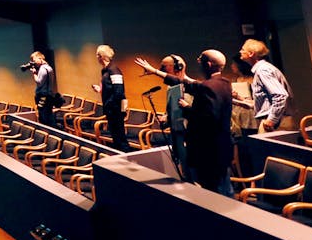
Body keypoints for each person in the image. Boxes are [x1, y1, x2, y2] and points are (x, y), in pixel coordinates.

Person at [136, 50, 234, 196]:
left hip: (208, 150)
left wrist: (187, 109)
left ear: (208, 64)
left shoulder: (207, 87)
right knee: (222, 187)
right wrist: (155, 72)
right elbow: (184, 82)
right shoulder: (224, 83)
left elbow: (208, 119)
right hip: (221, 147)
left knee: (215, 192)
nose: (197, 61)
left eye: (200, 59)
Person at [240, 39, 296, 132]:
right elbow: (266, 100)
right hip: (278, 120)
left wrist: (272, 120)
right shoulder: (264, 68)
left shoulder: (263, 70)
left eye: (243, 49)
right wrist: (242, 100)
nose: (240, 52)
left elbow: (280, 95)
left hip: (276, 123)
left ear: (251, 54)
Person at [91, 44, 129, 151]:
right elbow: (110, 90)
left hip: (115, 109)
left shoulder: (114, 70)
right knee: (115, 136)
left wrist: (109, 104)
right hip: (110, 108)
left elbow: (119, 92)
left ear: (101, 56)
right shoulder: (106, 71)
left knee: (120, 136)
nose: (96, 58)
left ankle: (125, 156)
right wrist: (100, 90)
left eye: (97, 55)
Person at [26, 51, 58, 126]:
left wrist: (34, 73)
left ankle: (48, 133)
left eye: (34, 60)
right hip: (48, 95)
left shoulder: (43, 69)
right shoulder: (48, 67)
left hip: (43, 96)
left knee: (44, 117)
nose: (34, 62)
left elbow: (39, 82)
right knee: (48, 115)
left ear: (40, 58)